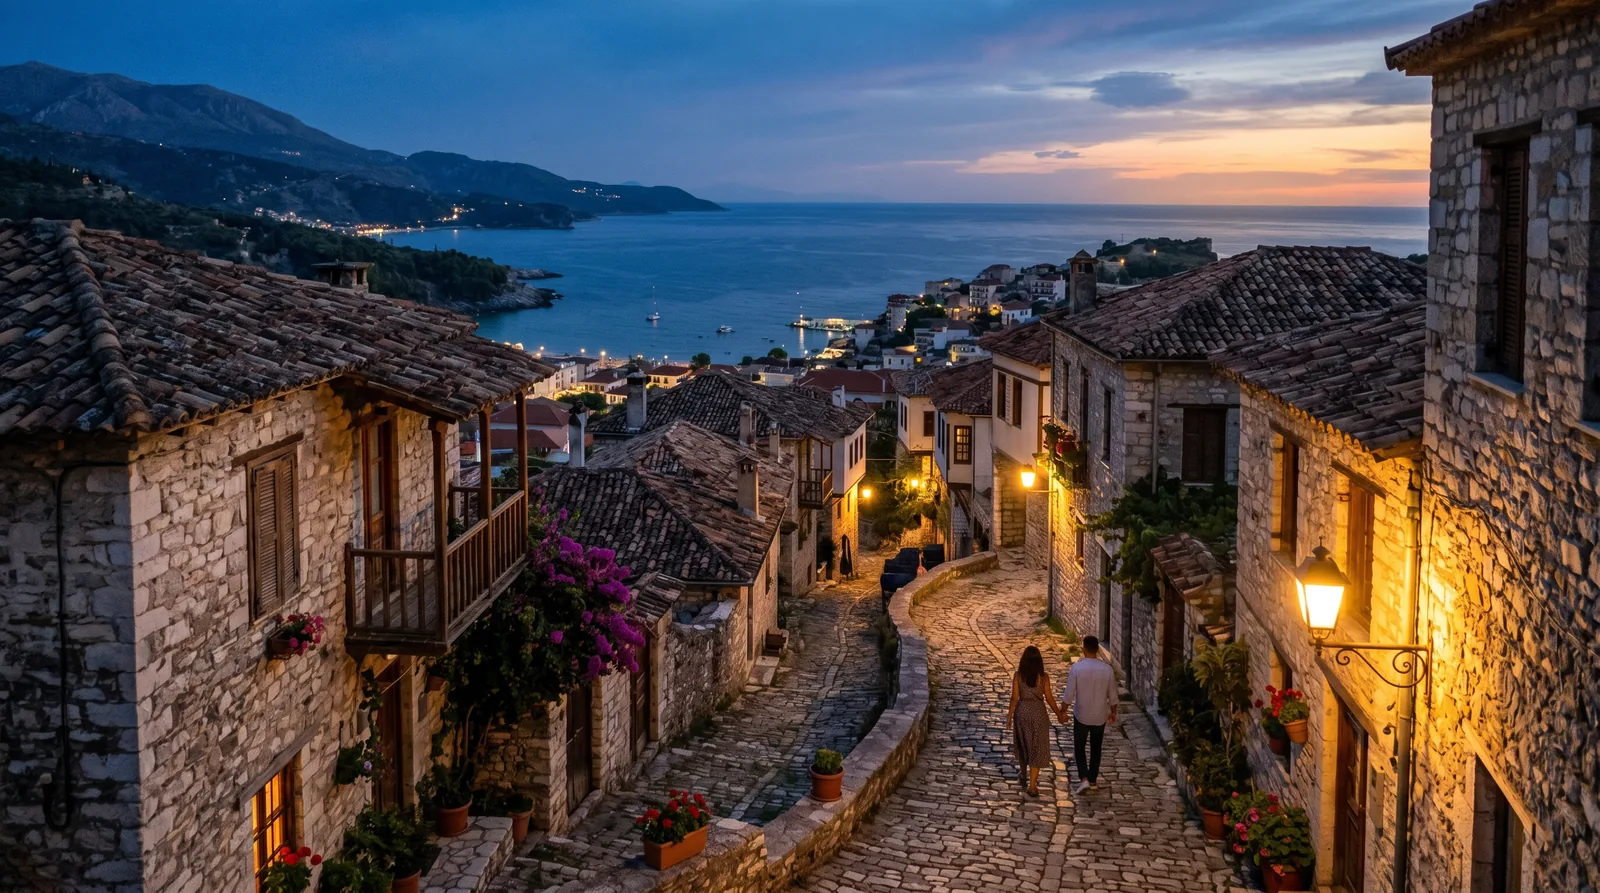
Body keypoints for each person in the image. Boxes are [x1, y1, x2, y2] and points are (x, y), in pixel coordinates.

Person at [1058, 635, 1118, 795]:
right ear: (1098, 649)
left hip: (1081, 715)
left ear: (1084, 649)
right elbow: (1113, 695)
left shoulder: (1077, 668)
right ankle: (1092, 780)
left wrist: (1062, 711)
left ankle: (1084, 778)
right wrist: (1113, 713)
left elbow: (1069, 694)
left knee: (1079, 747)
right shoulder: (1107, 670)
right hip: (1099, 715)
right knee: (1096, 747)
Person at [1005, 645, 1060, 797]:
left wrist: (1009, 716)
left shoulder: (1018, 676)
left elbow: (1014, 697)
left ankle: (1023, 774)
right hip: (1038, 713)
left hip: (1022, 712)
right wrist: (1059, 713)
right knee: (1037, 747)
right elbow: (1048, 698)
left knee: (1023, 744)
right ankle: (1032, 786)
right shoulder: (1044, 677)